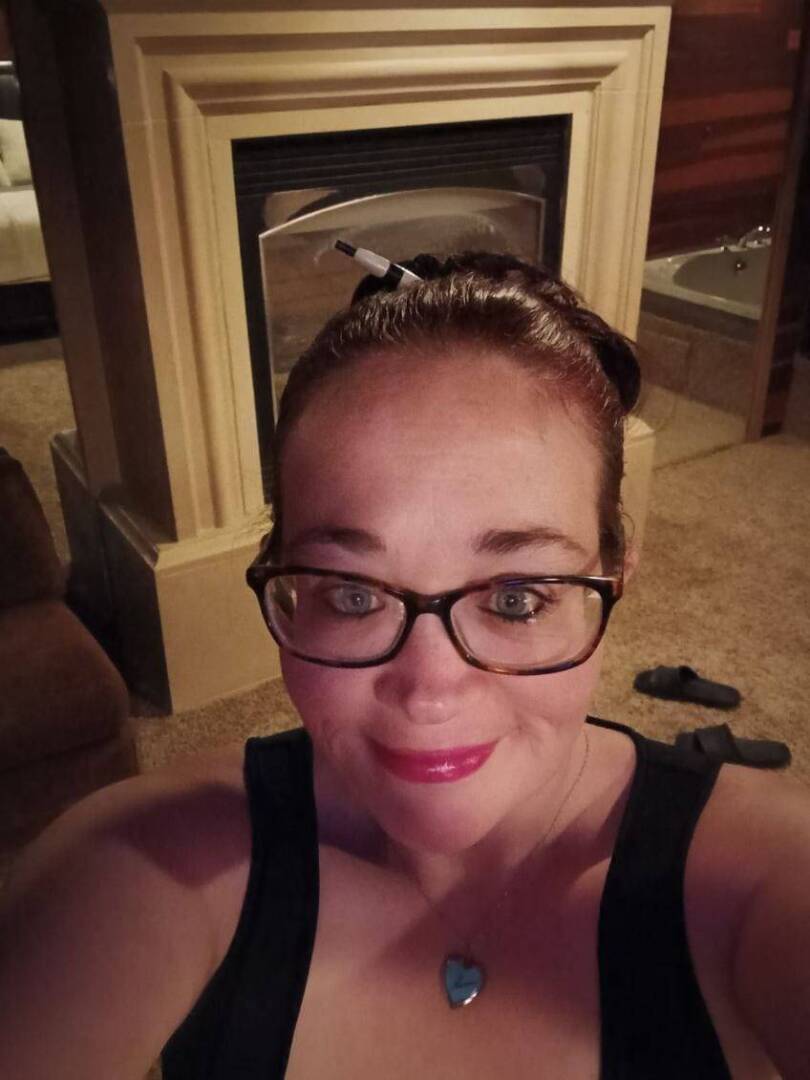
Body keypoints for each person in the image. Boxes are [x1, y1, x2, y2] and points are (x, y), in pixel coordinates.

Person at [1, 252, 809, 1080]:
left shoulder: (766, 880)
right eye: (353, 595)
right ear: (288, 584)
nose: (428, 694)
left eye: (517, 598)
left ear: (615, 576)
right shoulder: (143, 865)